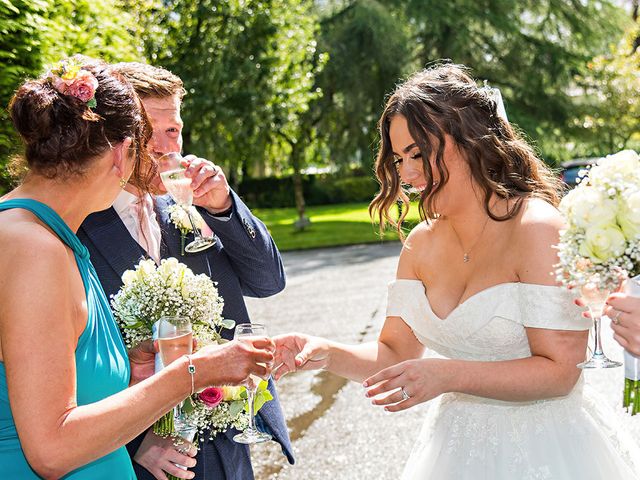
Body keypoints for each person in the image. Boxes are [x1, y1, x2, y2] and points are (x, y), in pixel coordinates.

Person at [273, 64, 640, 478]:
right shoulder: (420, 245)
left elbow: (560, 373)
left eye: (418, 153)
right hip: (454, 452)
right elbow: (395, 355)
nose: (407, 175)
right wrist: (324, 353)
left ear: (469, 140)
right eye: (398, 158)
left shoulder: (537, 230)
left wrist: (449, 374)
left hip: (551, 450)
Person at [0, 57, 275, 479]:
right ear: (123, 152)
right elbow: (51, 449)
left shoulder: (53, 236)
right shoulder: (36, 246)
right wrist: (194, 372)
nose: (166, 152)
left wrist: (134, 372)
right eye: (148, 138)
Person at [77, 62, 294, 480]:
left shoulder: (192, 203)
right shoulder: (79, 226)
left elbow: (268, 281)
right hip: (143, 458)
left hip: (228, 440)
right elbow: (68, 366)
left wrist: (224, 206)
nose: (165, 146)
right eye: (149, 131)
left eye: (173, 130)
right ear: (116, 136)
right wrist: (134, 441)